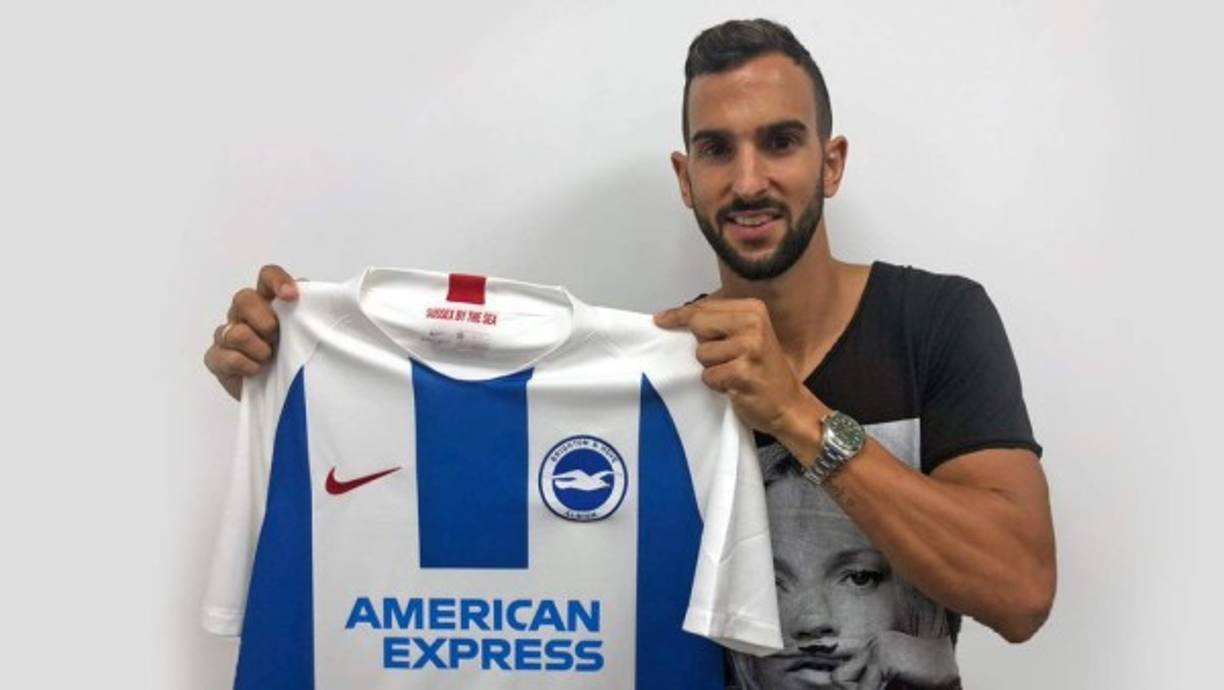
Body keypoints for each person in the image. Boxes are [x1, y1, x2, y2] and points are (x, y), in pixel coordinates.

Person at [204, 17, 1056, 687]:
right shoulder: (653, 371)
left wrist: (794, 414)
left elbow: (1020, 594)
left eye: (781, 142)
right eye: (718, 150)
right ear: (685, 179)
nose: (748, 179)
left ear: (831, 164)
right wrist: (301, 380)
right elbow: (469, 480)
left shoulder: (938, 320)